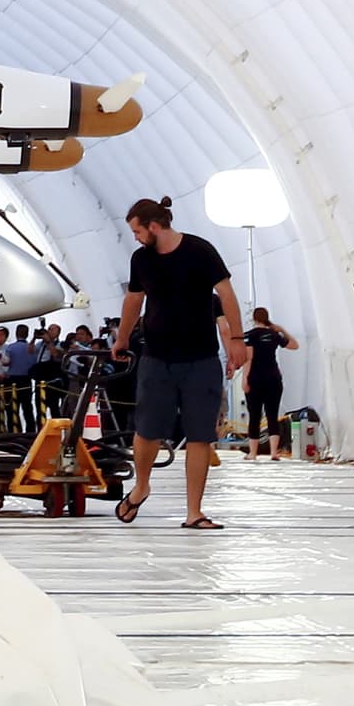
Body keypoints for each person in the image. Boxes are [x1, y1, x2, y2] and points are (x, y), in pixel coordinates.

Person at [112, 194, 249, 528]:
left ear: (154, 226)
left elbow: (227, 295)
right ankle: (141, 486)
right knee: (147, 430)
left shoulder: (200, 251)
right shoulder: (141, 260)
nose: (136, 238)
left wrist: (236, 339)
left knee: (200, 434)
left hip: (200, 358)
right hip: (157, 357)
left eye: (138, 231)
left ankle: (194, 512)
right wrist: (122, 337)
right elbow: (134, 300)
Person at [241, 304, 300, 459]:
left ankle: (253, 453)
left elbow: (249, 358)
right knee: (272, 415)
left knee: (254, 415)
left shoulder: (249, 335)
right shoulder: (274, 336)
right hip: (273, 379)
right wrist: (282, 330)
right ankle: (274, 452)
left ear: (254, 318)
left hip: (255, 378)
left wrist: (244, 379)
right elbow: (294, 345)